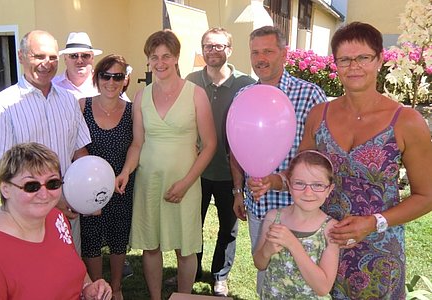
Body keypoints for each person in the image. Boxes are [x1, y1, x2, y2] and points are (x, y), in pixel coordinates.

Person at [251, 22, 432, 299]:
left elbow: (426, 196)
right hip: (318, 244)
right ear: (336, 64)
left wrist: (374, 222)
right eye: (345, 59)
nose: (354, 66)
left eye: (363, 57)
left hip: (378, 250)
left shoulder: (407, 121)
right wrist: (271, 181)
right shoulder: (319, 115)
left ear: (380, 59)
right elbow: (300, 174)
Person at [116, 29, 216, 300]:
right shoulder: (140, 96)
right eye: (153, 57)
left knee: (186, 249)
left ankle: (184, 296)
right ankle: (155, 296)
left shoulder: (196, 94)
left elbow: (209, 145)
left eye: (166, 56)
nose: (159, 62)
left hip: (185, 183)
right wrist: (125, 171)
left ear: (176, 58)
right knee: (151, 246)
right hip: (149, 183)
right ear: (148, 60)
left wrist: (185, 183)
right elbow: (138, 144)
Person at [230, 25, 327, 292]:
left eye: (268, 51)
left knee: (299, 278)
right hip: (259, 207)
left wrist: (279, 181)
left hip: (300, 209)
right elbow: (236, 149)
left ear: (284, 54)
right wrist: (238, 191)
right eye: (255, 52)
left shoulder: (309, 95)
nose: (261, 58)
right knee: (265, 275)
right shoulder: (243, 96)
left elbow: (318, 156)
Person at [0, 30, 91, 254]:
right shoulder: (2, 105)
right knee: (34, 276)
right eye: (38, 56)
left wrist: (88, 192)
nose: (46, 63)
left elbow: (80, 151)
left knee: (69, 266)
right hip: (25, 212)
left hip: (68, 207)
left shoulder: (69, 101)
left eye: (52, 57)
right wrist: (49, 197)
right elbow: (2, 166)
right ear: (21, 56)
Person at [0, 142, 112, 300]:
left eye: (52, 184)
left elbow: (70, 268)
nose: (44, 195)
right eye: (31, 186)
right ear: (5, 188)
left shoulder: (56, 218)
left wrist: (87, 289)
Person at [184, 27, 255, 296]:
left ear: (230, 49)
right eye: (208, 46)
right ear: (202, 50)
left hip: (230, 172)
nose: (212, 50)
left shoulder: (246, 84)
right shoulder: (190, 81)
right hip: (196, 169)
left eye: (218, 46)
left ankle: (220, 276)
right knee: (193, 225)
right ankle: (191, 270)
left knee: (229, 227)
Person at [79, 54, 134, 300]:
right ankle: (96, 289)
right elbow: (77, 146)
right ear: (97, 77)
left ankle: (117, 287)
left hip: (122, 184)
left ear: (125, 80)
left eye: (118, 76)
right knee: (90, 239)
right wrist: (96, 182)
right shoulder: (82, 105)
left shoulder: (132, 111)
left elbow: (137, 145)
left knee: (118, 239)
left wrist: (122, 174)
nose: (111, 81)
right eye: (106, 75)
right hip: (89, 186)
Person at [253, 150, 339, 299]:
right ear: (289, 185)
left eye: (318, 185)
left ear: (329, 190)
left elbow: (323, 288)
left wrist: (293, 244)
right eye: (299, 183)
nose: (308, 192)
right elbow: (259, 264)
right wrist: (266, 250)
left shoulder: (330, 229)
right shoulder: (274, 217)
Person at [52, 32, 103, 99]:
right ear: (65, 59)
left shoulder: (105, 84)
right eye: (74, 56)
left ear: (92, 58)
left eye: (85, 55)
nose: (80, 61)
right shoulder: (53, 86)